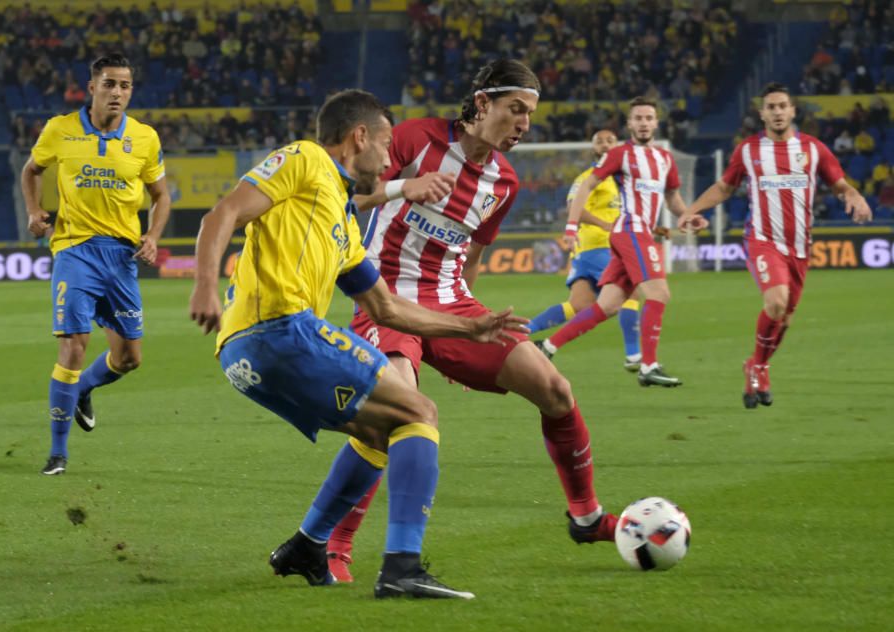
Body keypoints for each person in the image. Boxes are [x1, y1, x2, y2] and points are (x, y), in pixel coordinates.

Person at [188, 89, 527, 600]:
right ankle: (402, 568)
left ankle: (308, 544)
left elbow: (386, 310)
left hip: (245, 357)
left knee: (377, 431)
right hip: (277, 329)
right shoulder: (304, 159)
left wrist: (470, 329)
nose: (391, 159)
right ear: (359, 137)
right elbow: (221, 216)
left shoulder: (343, 222)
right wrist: (205, 287)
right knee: (419, 410)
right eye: (387, 144)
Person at [323, 60, 619, 584]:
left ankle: (586, 516)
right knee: (393, 414)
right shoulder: (416, 139)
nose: (524, 124)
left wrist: (461, 335)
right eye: (515, 110)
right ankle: (336, 547)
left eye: (530, 114)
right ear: (482, 104)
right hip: (386, 298)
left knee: (555, 388)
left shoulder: (504, 182)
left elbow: (474, 255)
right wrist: (400, 190)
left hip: (453, 303)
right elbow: (342, 197)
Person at [21, 53, 171, 475]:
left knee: (128, 358)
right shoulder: (60, 129)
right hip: (74, 249)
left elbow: (161, 195)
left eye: (125, 85)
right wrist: (34, 212)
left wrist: (154, 236)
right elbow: (30, 171)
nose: (117, 93)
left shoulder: (144, 138)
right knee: (73, 345)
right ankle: (57, 452)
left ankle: (85, 388)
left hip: (122, 256)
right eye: (109, 84)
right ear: (91, 88)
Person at [677, 82, 871, 408]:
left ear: (793, 111)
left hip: (799, 247)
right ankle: (762, 368)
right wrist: (690, 211)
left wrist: (854, 195)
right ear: (762, 113)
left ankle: (755, 364)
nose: (778, 112)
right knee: (776, 302)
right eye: (772, 107)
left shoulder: (813, 149)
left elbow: (838, 184)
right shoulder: (749, 151)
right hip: (763, 240)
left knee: (785, 318)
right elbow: (725, 187)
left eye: (783, 106)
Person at [536, 96, 699, 388]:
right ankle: (648, 365)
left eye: (649, 118)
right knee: (658, 294)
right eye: (638, 118)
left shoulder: (664, 159)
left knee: (607, 305)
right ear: (630, 123)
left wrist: (688, 215)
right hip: (630, 230)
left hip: (639, 233)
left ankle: (546, 347)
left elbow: (672, 197)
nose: (644, 123)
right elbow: (587, 184)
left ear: (656, 123)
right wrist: (571, 226)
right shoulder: (621, 153)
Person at [527, 129, 644, 372]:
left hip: (599, 248)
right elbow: (573, 207)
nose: (605, 144)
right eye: (599, 141)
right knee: (631, 291)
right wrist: (604, 225)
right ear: (593, 148)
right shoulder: (589, 177)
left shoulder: (623, 180)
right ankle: (634, 356)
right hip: (597, 245)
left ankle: (521, 332)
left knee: (579, 305)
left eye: (610, 140)